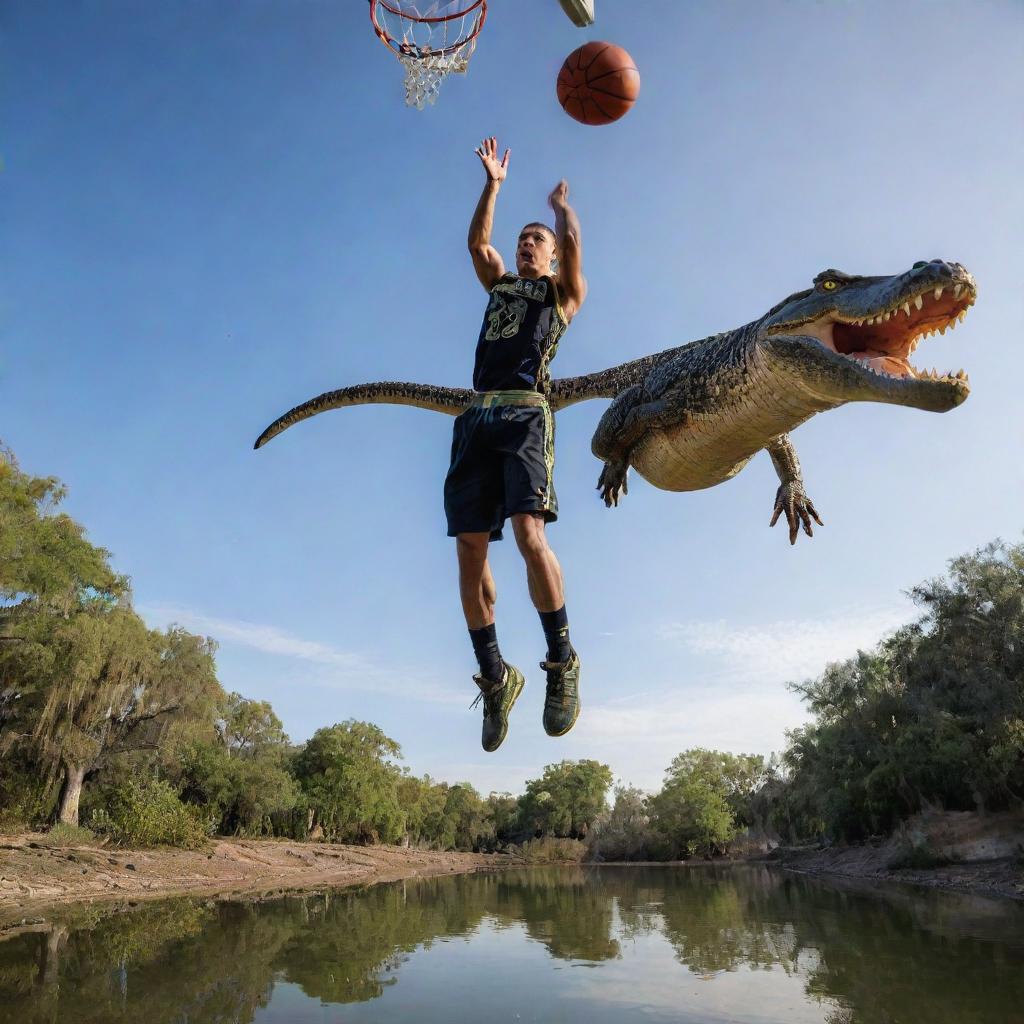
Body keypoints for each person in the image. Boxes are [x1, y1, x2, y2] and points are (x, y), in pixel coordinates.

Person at [444, 136, 587, 752]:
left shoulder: (561, 295)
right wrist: (494, 185)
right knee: (470, 553)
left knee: (530, 535)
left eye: (538, 242)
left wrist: (561, 212)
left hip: (527, 413)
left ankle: (562, 659)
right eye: (524, 238)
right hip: (477, 418)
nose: (527, 245)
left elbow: (575, 248)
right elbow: (479, 245)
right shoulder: (500, 286)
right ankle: (497, 675)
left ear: (552, 259)